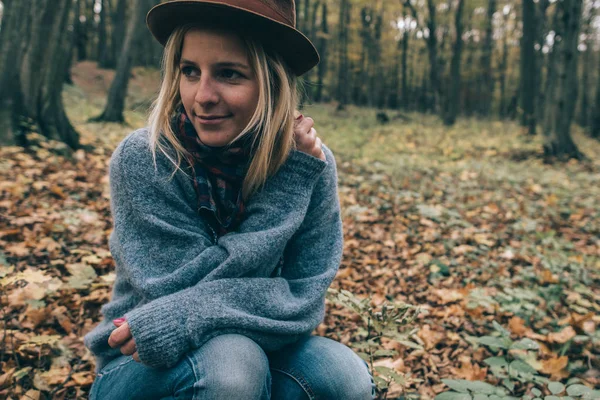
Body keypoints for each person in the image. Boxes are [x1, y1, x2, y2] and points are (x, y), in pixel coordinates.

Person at [83, 1, 376, 399]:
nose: (202, 95)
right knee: (233, 364)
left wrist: (291, 179)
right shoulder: (147, 158)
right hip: (142, 366)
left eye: (228, 74)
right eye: (190, 71)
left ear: (272, 81)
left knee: (344, 375)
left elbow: (304, 299)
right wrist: (285, 195)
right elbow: (172, 295)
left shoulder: (308, 165)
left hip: (262, 346)